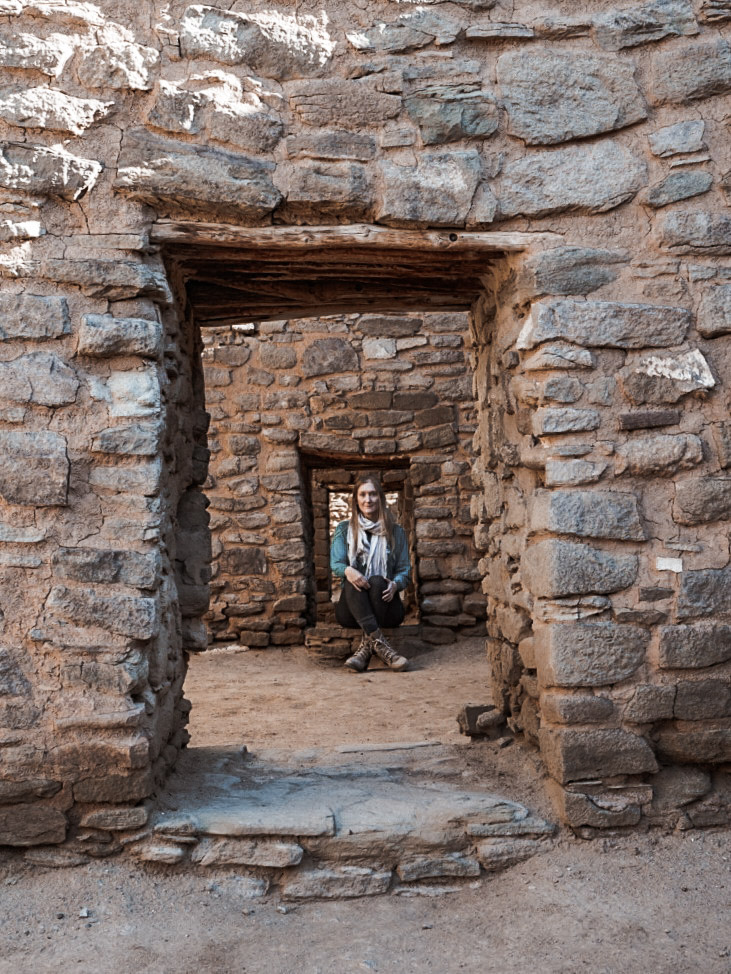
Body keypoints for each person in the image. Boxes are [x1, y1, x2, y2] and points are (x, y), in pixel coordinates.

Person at [330, 473, 411, 673]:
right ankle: (384, 649)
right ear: (356, 500)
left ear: (381, 498)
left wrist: (395, 584)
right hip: (351, 610)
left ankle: (366, 649)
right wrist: (348, 570)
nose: (368, 499)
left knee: (377, 582)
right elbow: (336, 563)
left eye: (373, 494)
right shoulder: (344, 529)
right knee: (353, 578)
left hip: (387, 606)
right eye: (363, 494)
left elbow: (405, 571)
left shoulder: (396, 532)